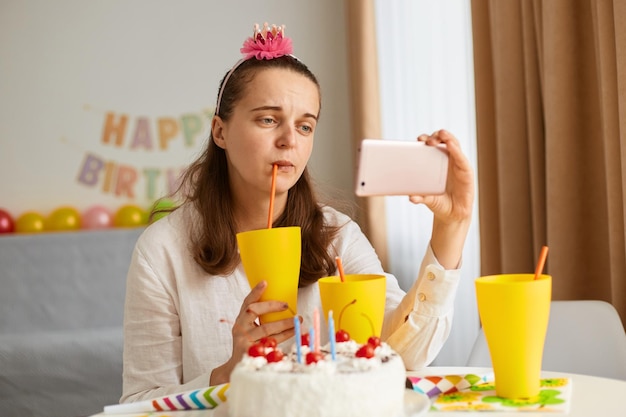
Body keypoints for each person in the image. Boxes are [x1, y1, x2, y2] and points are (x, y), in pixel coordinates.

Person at [120, 23, 474, 403]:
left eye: (305, 126)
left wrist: (451, 226)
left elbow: (405, 351)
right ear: (220, 132)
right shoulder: (162, 250)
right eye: (268, 119)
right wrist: (227, 373)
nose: (289, 139)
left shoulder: (338, 236)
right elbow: (141, 402)